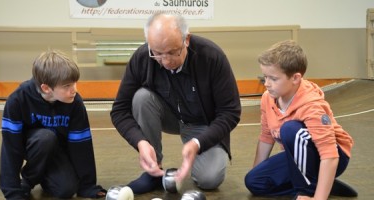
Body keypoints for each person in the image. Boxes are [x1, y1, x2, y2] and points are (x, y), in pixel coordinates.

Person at [110, 13, 241, 194]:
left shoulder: (211, 57)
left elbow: (230, 112)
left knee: (210, 179)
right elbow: (119, 110)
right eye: (157, 53)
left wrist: (198, 143)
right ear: (149, 43)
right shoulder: (141, 58)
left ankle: (196, 156)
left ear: (186, 39)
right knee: (141, 98)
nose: (165, 61)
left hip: (202, 124)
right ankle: (154, 171)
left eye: (173, 52)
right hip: (169, 116)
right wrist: (140, 142)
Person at [244, 40, 357, 199]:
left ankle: (308, 191)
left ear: (295, 78)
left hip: (333, 156)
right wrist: (256, 170)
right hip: (299, 158)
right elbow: (266, 137)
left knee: (290, 130)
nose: (267, 84)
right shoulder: (267, 98)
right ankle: (323, 183)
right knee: (254, 182)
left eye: (274, 79)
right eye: (264, 77)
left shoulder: (312, 106)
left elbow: (329, 155)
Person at [0, 50, 106, 199]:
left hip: (56, 150)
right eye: (67, 86)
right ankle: (28, 181)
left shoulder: (75, 102)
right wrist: (12, 191)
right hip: (32, 146)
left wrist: (87, 186)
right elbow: (11, 149)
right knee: (45, 137)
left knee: (66, 190)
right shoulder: (17, 100)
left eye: (75, 83)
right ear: (46, 88)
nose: (74, 90)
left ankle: (43, 174)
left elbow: (81, 144)